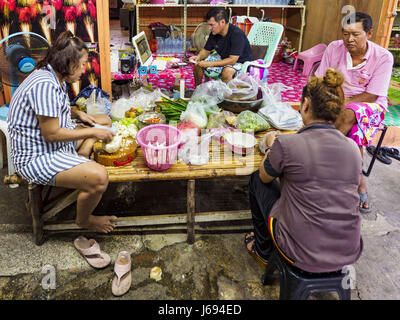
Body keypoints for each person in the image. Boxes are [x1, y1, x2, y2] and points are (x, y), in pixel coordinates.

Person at [245, 68, 363, 273]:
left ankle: (263, 250)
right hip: (347, 250)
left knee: (256, 179)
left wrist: (272, 147)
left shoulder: (288, 144)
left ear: (306, 104)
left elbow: (265, 177)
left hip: (299, 251)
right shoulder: (353, 148)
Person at [7, 31, 117, 233]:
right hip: (37, 156)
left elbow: (54, 111)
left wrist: (78, 114)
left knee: (104, 120)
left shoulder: (54, 77)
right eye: (82, 64)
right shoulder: (44, 85)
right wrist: (91, 134)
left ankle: (81, 157)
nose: (84, 70)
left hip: (53, 142)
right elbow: (52, 134)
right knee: (100, 177)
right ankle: (84, 220)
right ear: (68, 62)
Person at [314, 12, 394, 213]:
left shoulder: (383, 57)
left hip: (371, 106)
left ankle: (318, 158)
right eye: (345, 33)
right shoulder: (334, 48)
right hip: (339, 100)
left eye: (356, 34)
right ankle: (359, 184)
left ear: (369, 33)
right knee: (351, 136)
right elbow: (322, 79)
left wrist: (343, 104)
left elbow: (373, 95)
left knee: (349, 115)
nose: (349, 39)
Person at [189, 7, 253, 86]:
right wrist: (198, 57)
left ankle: (226, 96)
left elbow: (232, 60)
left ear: (222, 22)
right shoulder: (214, 33)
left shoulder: (237, 34)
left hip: (240, 62)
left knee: (227, 72)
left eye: (212, 25)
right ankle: (198, 90)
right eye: (209, 25)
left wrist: (209, 63)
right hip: (223, 58)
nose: (209, 28)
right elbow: (206, 50)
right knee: (197, 65)